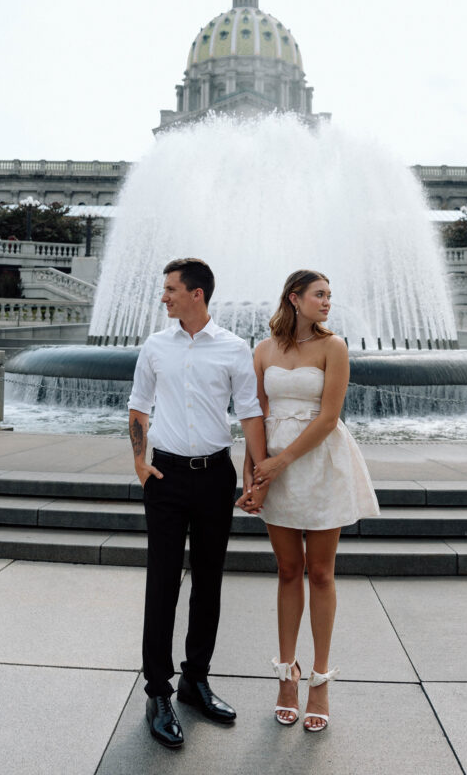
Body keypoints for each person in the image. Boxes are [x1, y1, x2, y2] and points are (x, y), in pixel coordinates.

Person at [128, 257, 267, 749]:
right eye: (164, 288)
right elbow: (138, 405)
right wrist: (140, 463)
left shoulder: (233, 348)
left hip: (214, 478)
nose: (164, 296)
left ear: (197, 295)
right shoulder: (155, 346)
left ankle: (196, 680)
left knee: (208, 583)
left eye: (171, 289)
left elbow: (250, 415)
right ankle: (158, 692)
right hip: (164, 477)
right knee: (162, 584)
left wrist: (255, 475)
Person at [238, 269, 379, 732]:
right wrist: (253, 474)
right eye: (320, 295)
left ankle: (319, 678)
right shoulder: (263, 350)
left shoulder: (333, 347)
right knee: (286, 570)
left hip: (319, 463)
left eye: (330, 296)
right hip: (273, 467)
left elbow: (329, 417)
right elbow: (255, 416)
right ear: (294, 299)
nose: (327, 302)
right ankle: (286, 674)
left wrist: (280, 463)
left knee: (320, 572)